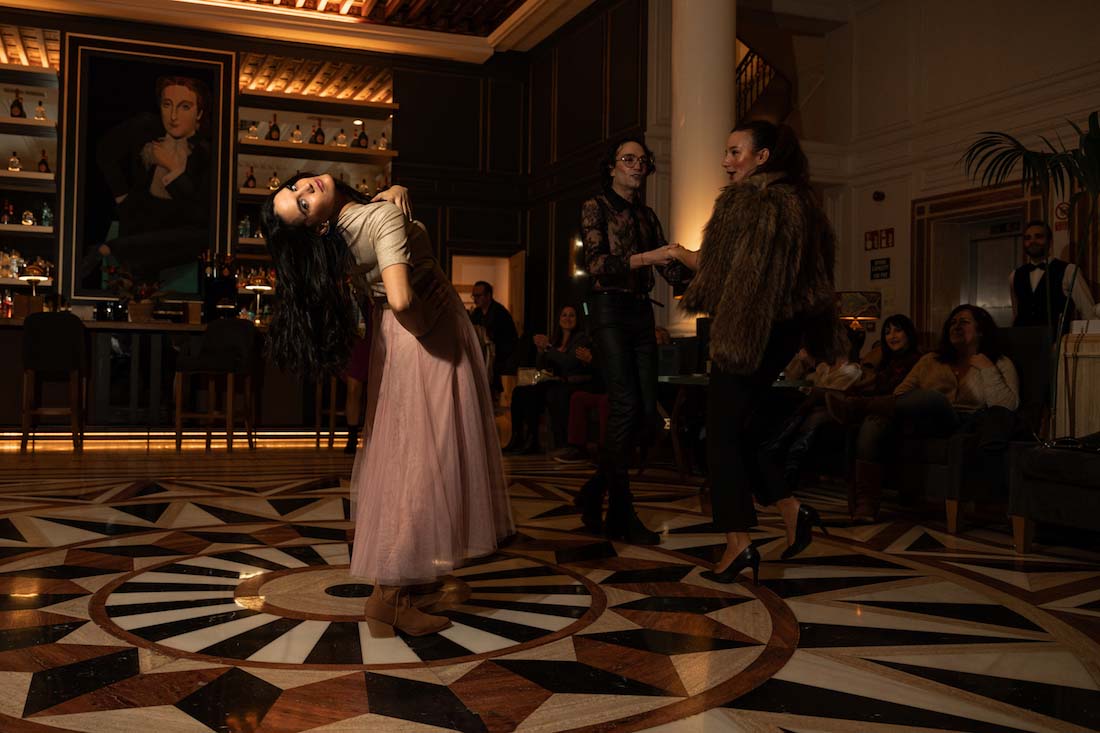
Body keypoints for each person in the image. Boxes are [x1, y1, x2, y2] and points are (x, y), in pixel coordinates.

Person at [261, 172, 514, 637]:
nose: (304, 190)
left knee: (411, 459)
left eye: (295, 188)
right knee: (425, 465)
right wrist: (427, 320)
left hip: (400, 345)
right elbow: (399, 298)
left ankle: (409, 579)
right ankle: (389, 599)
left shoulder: (348, 230)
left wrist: (391, 194)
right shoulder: (376, 219)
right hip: (427, 339)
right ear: (317, 226)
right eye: (300, 204)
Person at [672, 120, 837, 584]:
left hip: (747, 332)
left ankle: (737, 543)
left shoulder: (747, 201)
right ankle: (790, 508)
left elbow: (719, 275)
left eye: (734, 152)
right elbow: (818, 283)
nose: (726, 162)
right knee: (742, 432)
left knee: (719, 435)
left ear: (762, 157)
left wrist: (681, 257)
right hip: (785, 334)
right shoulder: (804, 203)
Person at [573, 136, 690, 545]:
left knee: (644, 413)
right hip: (607, 309)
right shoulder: (595, 206)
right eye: (628, 159)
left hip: (641, 312)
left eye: (643, 160)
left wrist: (698, 263)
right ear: (612, 167)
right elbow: (597, 264)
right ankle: (621, 512)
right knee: (624, 405)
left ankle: (593, 493)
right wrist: (650, 257)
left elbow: (672, 273)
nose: (638, 166)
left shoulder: (647, 215)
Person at [830, 304, 1018, 500]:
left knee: (934, 398)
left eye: (964, 322)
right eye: (952, 322)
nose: (956, 326)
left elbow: (1007, 405)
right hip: (924, 421)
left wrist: (987, 368)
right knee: (876, 418)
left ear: (981, 330)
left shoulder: (999, 362)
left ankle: (855, 406)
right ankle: (865, 503)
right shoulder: (931, 360)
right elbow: (900, 394)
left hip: (964, 423)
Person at [95, 75, 213, 283]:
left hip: (179, 230)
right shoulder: (144, 127)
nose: (173, 116)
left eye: (185, 107)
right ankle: (126, 252)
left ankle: (115, 247)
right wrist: (122, 198)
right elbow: (105, 152)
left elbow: (197, 212)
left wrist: (171, 167)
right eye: (167, 105)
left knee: (203, 236)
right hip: (141, 221)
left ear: (199, 113)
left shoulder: (206, 153)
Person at [504, 304, 594, 454]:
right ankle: (517, 437)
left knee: (542, 393)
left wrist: (548, 348)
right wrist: (541, 352)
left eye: (571, 315)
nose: (567, 318)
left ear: (577, 319)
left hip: (570, 382)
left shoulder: (581, 339)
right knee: (520, 391)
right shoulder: (555, 339)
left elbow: (569, 363)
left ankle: (534, 442)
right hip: (552, 380)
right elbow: (542, 367)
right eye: (564, 315)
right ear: (559, 319)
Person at [1010, 219, 1099, 331]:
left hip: (1057, 340)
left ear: (1050, 241)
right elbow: (1016, 314)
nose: (1032, 241)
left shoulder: (1069, 271)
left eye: (1038, 236)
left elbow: (1088, 312)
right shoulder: (1014, 275)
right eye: (1028, 238)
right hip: (1023, 339)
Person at [469, 281, 518, 400]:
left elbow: (506, 341)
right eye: (474, 296)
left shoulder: (500, 313)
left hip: (501, 359)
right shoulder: (476, 313)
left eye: (478, 296)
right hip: (484, 357)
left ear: (488, 295)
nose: (475, 299)